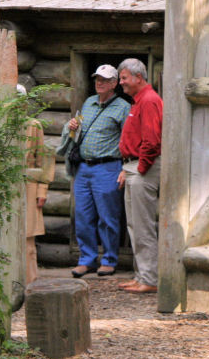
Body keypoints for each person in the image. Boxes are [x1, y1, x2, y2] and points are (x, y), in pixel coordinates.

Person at [62, 64, 131, 278]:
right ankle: (87, 260)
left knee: (108, 217)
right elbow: (79, 128)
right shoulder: (88, 103)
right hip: (83, 167)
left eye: (104, 79)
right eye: (96, 79)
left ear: (114, 84)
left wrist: (126, 168)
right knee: (82, 216)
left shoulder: (123, 107)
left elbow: (127, 140)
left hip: (108, 167)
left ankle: (109, 260)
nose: (99, 83)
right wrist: (72, 126)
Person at [116, 58, 163, 294]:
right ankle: (141, 275)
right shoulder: (138, 101)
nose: (121, 82)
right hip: (134, 167)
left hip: (144, 168)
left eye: (124, 78)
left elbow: (152, 140)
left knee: (143, 226)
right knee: (135, 224)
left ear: (138, 77)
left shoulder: (149, 100)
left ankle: (150, 278)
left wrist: (140, 168)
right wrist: (128, 169)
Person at [19, 84, 56, 286]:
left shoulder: (33, 125)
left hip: (29, 186)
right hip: (6, 189)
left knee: (28, 239)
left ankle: (30, 282)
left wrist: (42, 190)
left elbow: (43, 159)